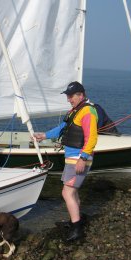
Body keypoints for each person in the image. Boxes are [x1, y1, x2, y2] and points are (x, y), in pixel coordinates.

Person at [33, 81, 98, 242]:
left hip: (79, 158)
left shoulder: (88, 112)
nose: (69, 99)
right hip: (72, 158)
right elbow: (62, 127)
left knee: (66, 192)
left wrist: (83, 158)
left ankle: (77, 231)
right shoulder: (75, 111)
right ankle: (76, 220)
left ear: (81, 95)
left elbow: (92, 138)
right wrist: (44, 135)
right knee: (72, 191)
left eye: (71, 96)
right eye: (68, 96)